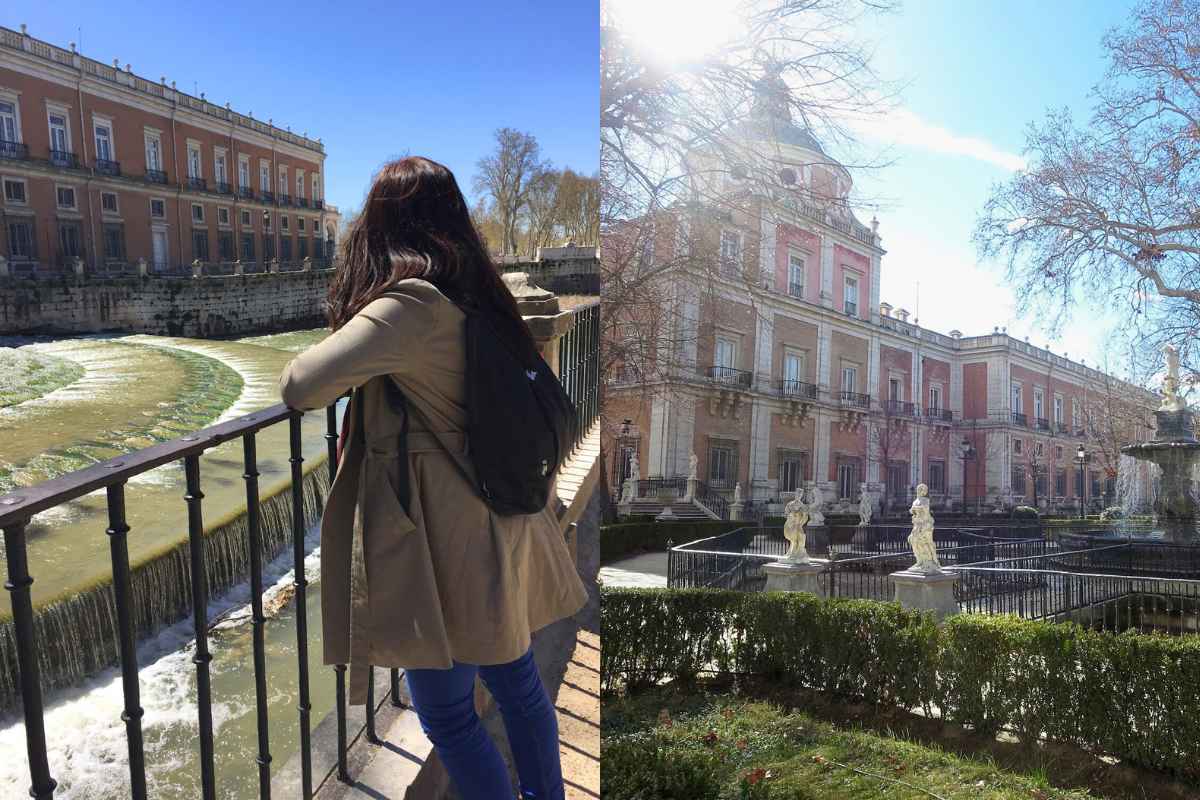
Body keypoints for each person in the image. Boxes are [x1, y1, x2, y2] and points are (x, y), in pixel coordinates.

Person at [279, 156, 587, 800]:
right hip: (504, 514)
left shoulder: (411, 305)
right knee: (518, 686)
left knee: (446, 711)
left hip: (449, 540)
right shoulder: (479, 297)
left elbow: (301, 385)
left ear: (382, 224)